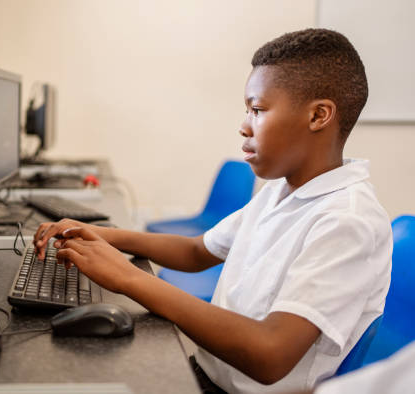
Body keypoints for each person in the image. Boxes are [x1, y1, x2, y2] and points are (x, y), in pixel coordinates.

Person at [33, 28, 392, 393]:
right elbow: (196, 251)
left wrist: (129, 278)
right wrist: (104, 235)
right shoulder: (281, 191)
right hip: (205, 373)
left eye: (258, 109)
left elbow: (271, 355)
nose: (243, 125)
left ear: (318, 116)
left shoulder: (347, 222)